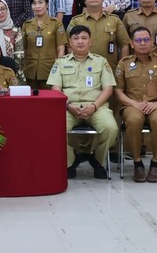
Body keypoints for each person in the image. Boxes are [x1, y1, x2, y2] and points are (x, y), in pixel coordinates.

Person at [48, 25, 118, 180]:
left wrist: (94, 106)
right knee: (56, 128)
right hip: (68, 107)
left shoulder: (101, 62)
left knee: (111, 128)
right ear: (70, 42)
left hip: (96, 107)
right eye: (76, 38)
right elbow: (55, 89)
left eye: (84, 38)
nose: (80, 41)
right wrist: (68, 105)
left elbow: (108, 89)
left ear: (90, 41)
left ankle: (97, 160)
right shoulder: (60, 63)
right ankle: (70, 163)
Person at [114, 26, 157, 183]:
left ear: (152, 42)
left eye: (146, 40)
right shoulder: (124, 63)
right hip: (132, 105)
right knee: (133, 121)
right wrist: (134, 104)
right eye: (138, 40)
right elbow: (118, 91)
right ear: (132, 44)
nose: (142, 43)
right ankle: (137, 163)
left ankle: (155, 162)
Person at [68, 0, 130, 73]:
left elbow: (124, 45)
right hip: (82, 71)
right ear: (85, 1)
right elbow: (69, 46)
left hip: (109, 71)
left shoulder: (114, 20)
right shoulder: (76, 21)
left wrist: (122, 68)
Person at [21, 0, 67, 89]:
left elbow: (61, 49)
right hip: (30, 71)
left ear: (47, 4)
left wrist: (58, 68)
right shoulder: (26, 25)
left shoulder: (56, 23)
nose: (37, 6)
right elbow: (24, 48)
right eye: (34, 3)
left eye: (40, 2)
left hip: (49, 71)